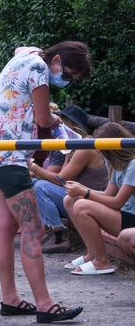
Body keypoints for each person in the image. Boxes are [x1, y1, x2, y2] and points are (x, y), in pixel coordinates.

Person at [0, 41, 92, 322]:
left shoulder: (25, 58)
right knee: (34, 227)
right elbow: (42, 117)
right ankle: (45, 303)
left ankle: (10, 299)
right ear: (58, 60)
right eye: (70, 74)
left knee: (5, 225)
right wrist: (59, 124)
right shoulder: (39, 67)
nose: (67, 80)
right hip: (11, 157)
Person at [30, 106, 108, 253]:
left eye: (61, 124)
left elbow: (60, 180)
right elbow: (63, 178)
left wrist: (32, 167)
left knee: (40, 186)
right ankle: (50, 230)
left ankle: (59, 234)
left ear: (73, 126)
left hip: (91, 199)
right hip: (78, 196)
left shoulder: (84, 147)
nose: (57, 129)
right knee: (34, 184)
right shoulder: (72, 146)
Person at [63, 122, 135, 275]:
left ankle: (102, 261)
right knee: (70, 200)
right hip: (125, 215)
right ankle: (92, 255)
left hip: (131, 218)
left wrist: (85, 192)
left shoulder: (133, 164)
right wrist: (81, 191)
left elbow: (117, 203)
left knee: (82, 205)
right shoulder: (119, 165)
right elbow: (109, 195)